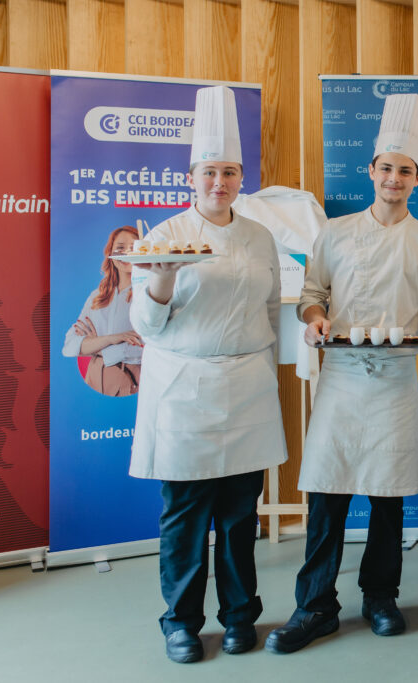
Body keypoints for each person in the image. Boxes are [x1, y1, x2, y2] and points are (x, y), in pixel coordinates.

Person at [266, 93, 418, 654]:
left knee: (387, 496)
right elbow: (312, 295)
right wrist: (317, 318)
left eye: (405, 171)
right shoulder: (335, 233)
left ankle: (380, 597)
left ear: (417, 178)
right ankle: (315, 606)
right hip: (343, 377)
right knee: (326, 494)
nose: (394, 178)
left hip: (395, 378)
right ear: (371, 171)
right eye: (386, 168)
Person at [129, 86, 287, 664]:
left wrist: (266, 367)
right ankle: (181, 623)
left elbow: (270, 310)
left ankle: (241, 615)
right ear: (190, 176)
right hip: (185, 388)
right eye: (210, 172)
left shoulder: (260, 236)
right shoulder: (165, 237)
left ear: (240, 177)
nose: (219, 182)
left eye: (229, 172)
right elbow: (144, 323)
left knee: (242, 515)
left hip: (246, 385)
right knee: (186, 516)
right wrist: (163, 278)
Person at [62, 225, 143, 396]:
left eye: (134, 248)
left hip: (131, 381)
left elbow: (151, 346)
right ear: (110, 253)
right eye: (120, 248)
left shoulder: (150, 293)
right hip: (93, 380)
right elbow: (70, 345)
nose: (126, 253)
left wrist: (96, 345)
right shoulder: (98, 295)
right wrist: (114, 339)